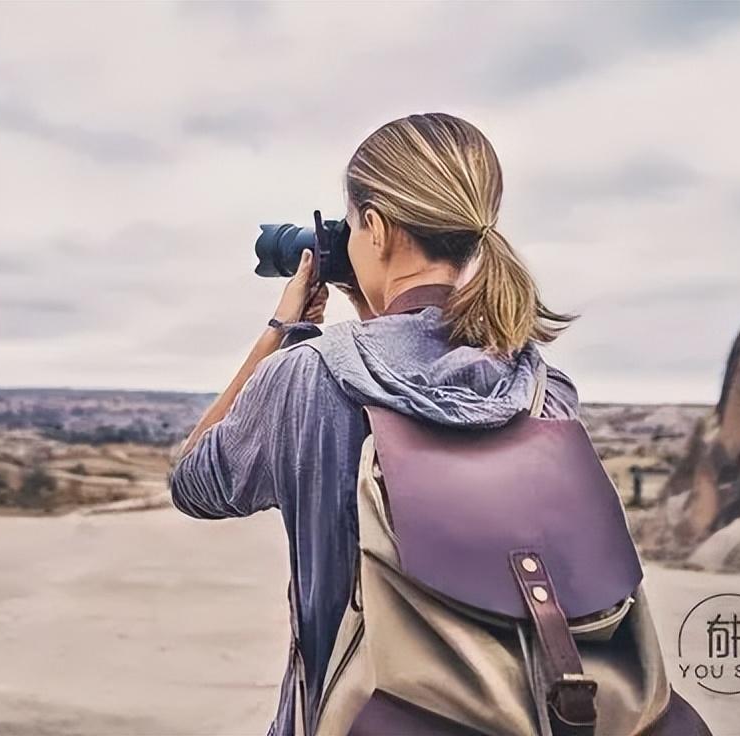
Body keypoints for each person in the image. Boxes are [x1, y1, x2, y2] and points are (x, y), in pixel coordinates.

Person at [168, 112, 581, 736]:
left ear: (377, 228)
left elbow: (193, 483)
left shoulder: (308, 377)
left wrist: (282, 333)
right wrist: (371, 314)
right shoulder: (540, 386)